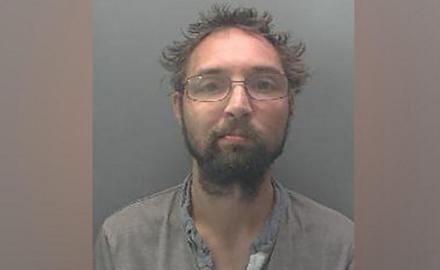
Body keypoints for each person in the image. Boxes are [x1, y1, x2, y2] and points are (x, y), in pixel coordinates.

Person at [95, 4, 353, 270]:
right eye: (211, 85)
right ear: (179, 107)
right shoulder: (122, 244)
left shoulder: (342, 248)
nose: (238, 105)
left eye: (263, 84)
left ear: (290, 106)